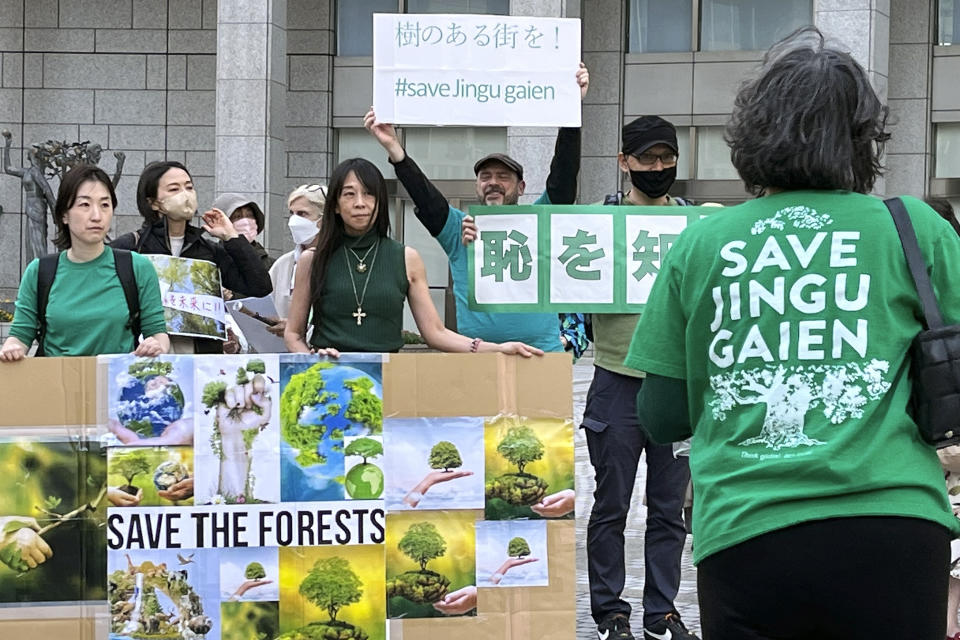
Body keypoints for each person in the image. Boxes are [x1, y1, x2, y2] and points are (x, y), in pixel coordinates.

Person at [625, 27, 960, 640]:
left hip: (748, 531)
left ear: (752, 133)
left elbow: (661, 413)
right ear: (865, 136)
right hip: (895, 524)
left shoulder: (704, 240)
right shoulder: (914, 227)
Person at [363, 62, 589, 353]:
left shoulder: (541, 221)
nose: (493, 182)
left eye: (503, 177)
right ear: (476, 186)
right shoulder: (461, 228)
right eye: (485, 177)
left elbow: (563, 178)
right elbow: (425, 197)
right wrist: (395, 149)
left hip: (542, 354)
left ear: (521, 188)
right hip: (479, 354)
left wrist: (571, 111)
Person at [575, 117, 698, 640]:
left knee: (669, 510)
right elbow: (536, 251)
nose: (658, 168)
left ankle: (661, 612)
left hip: (675, 383)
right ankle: (609, 612)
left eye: (666, 158)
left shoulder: (695, 224)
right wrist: (482, 234)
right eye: (646, 159)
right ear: (624, 162)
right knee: (611, 506)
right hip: (616, 380)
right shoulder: (597, 222)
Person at [283, 157, 543, 358]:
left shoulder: (405, 257)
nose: (360, 203)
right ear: (336, 205)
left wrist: (496, 348)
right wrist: (311, 362)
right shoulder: (313, 260)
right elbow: (293, 333)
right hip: (326, 377)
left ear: (380, 201)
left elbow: (435, 333)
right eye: (349, 194)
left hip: (388, 381)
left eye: (369, 193)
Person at [1, 165, 169, 361]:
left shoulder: (137, 267)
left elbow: (157, 332)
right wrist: (11, 348)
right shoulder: (39, 271)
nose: (96, 216)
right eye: (84, 205)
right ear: (64, 214)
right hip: (57, 384)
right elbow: (21, 334)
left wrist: (155, 345)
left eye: (105, 205)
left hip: (116, 384)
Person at [111, 161, 273, 353]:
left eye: (189, 187)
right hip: (145, 353)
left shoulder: (209, 251)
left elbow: (260, 286)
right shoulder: (131, 247)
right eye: (174, 189)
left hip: (201, 358)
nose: (185, 194)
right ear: (152, 202)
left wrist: (232, 238)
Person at [269, 183, 326, 332]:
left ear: (324, 219)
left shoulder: (342, 262)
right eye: (291, 213)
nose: (293, 221)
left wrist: (297, 330)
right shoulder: (282, 265)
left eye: (302, 214)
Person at [210, 193, 275, 272]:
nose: (246, 221)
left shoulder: (272, 265)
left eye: (249, 215)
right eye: (237, 216)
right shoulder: (212, 261)